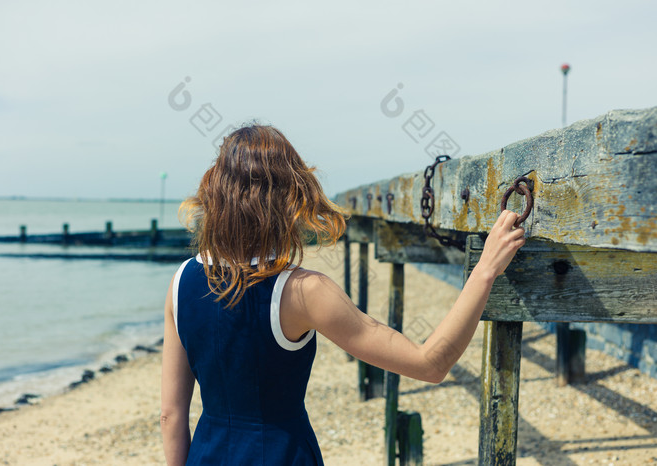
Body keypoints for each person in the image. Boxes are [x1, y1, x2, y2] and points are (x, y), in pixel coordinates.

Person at [160, 124, 526, 465]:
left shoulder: (180, 281)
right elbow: (429, 363)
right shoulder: (304, 291)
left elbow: (171, 415)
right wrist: (485, 270)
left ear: (216, 194)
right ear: (290, 197)